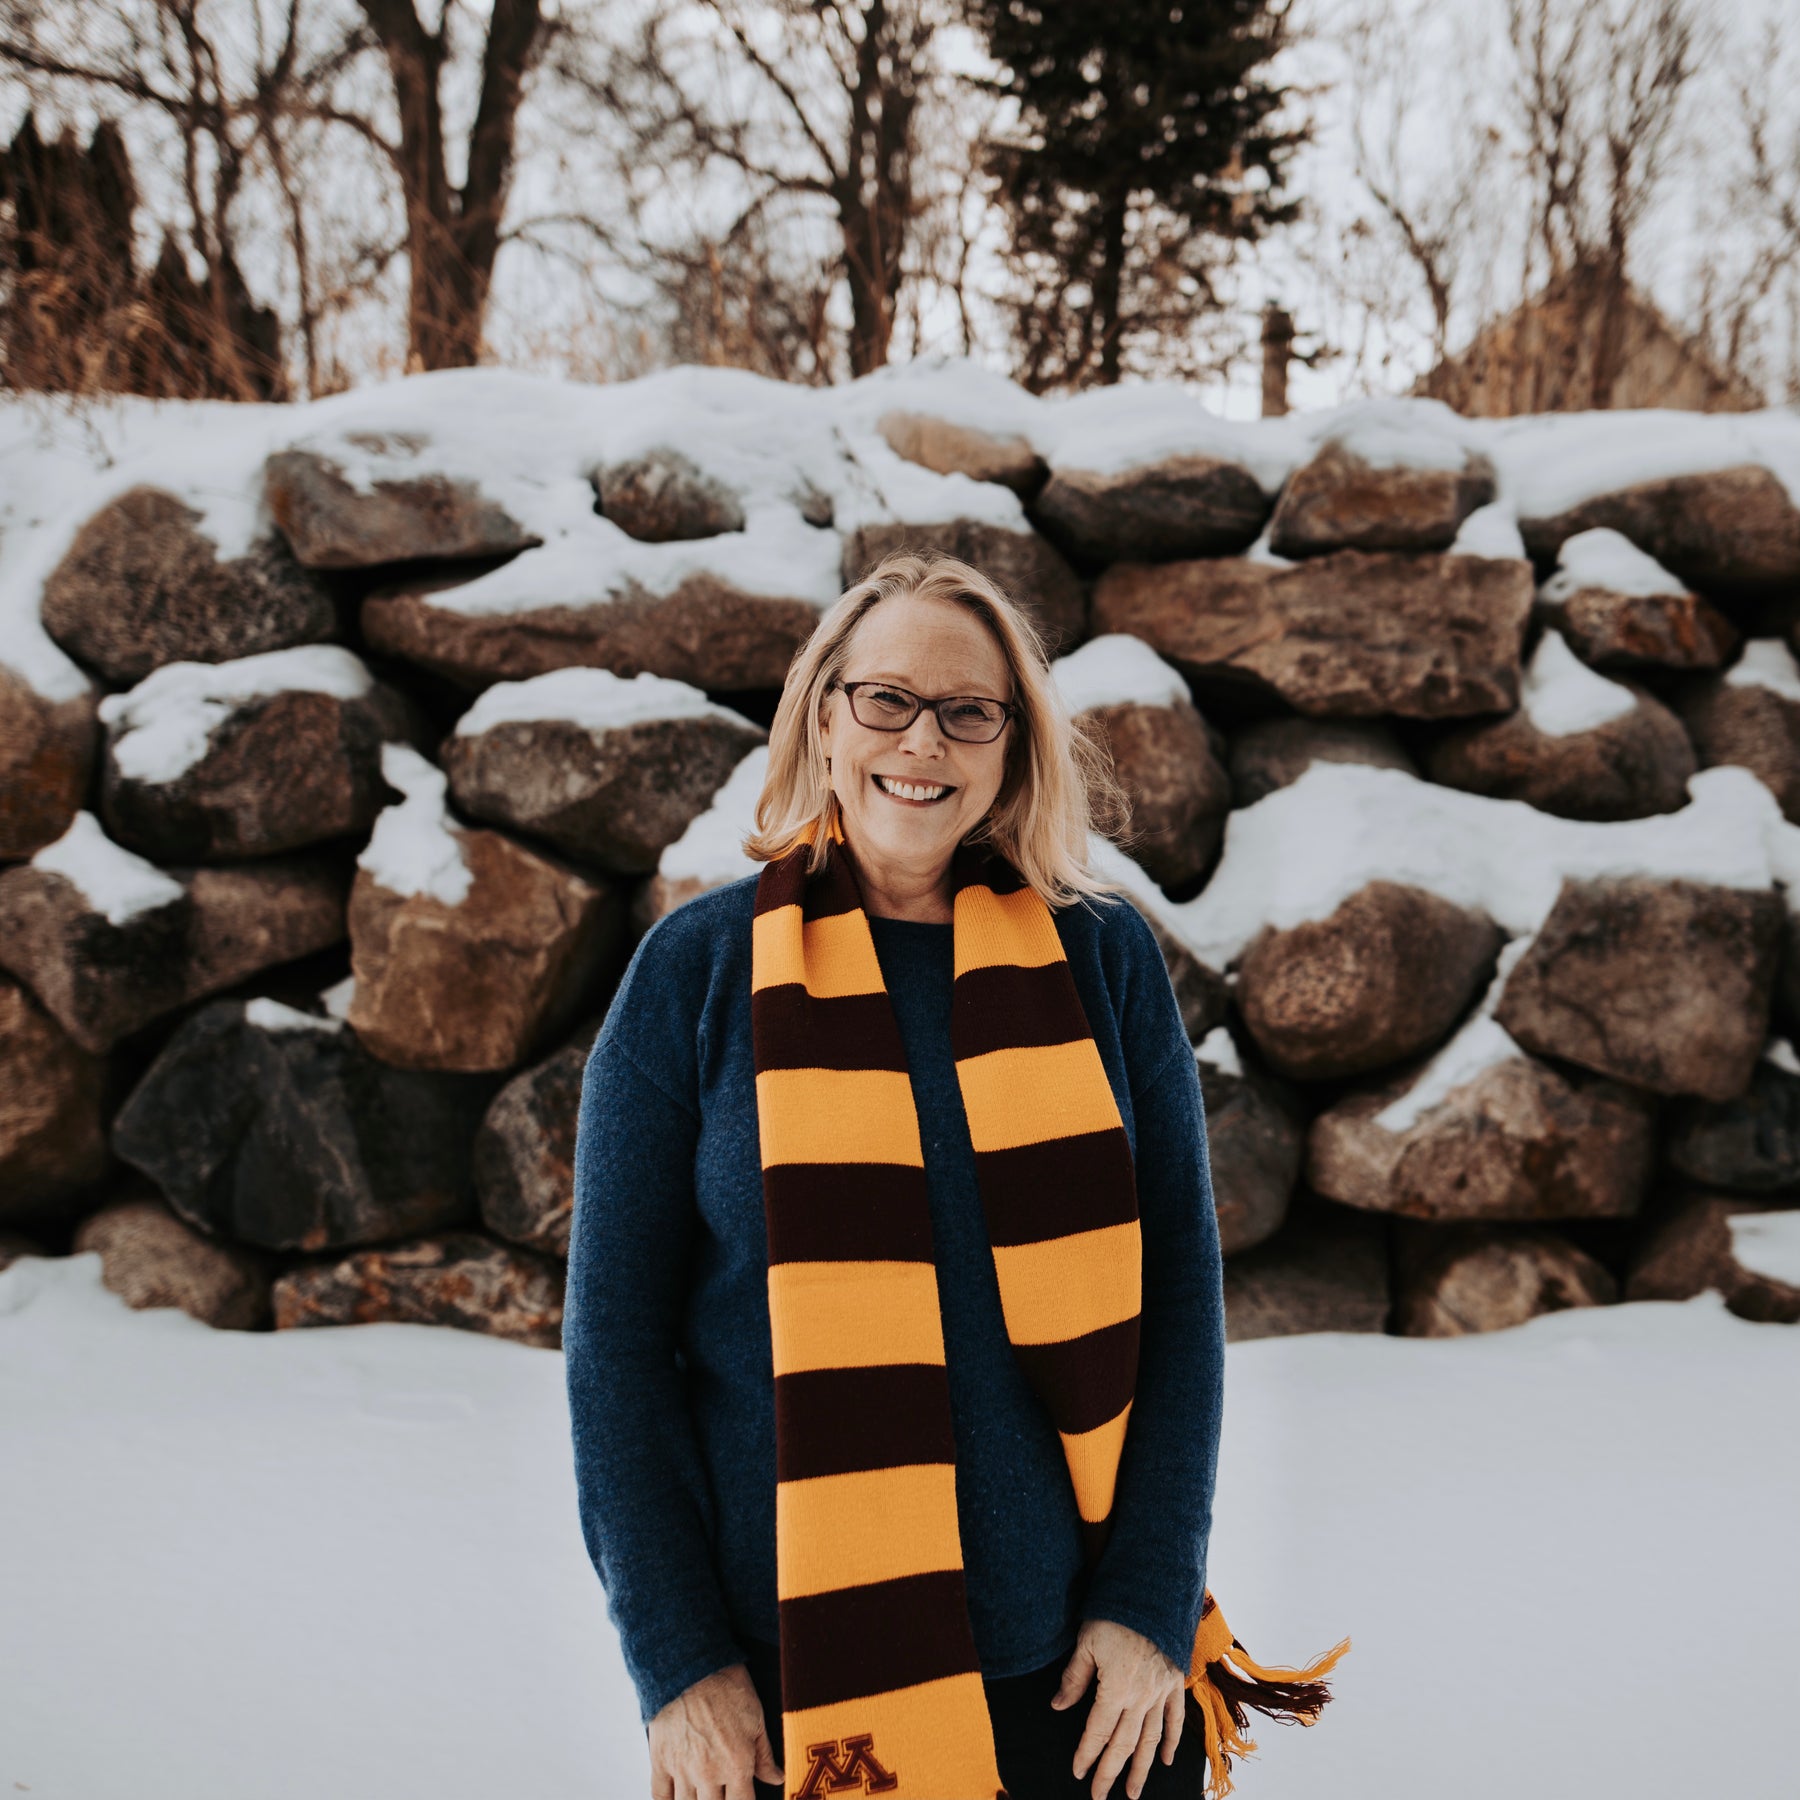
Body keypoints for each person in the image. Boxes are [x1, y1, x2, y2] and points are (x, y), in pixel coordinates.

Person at [565, 550, 1242, 1800]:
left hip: (1083, 1684)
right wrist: (678, 1664)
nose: (922, 740)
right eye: (886, 699)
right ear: (823, 718)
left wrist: (1152, 1602)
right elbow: (616, 1349)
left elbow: (1180, 1314)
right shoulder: (696, 975)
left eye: (968, 710)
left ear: (1012, 745)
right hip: (789, 1691)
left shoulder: (1102, 963)